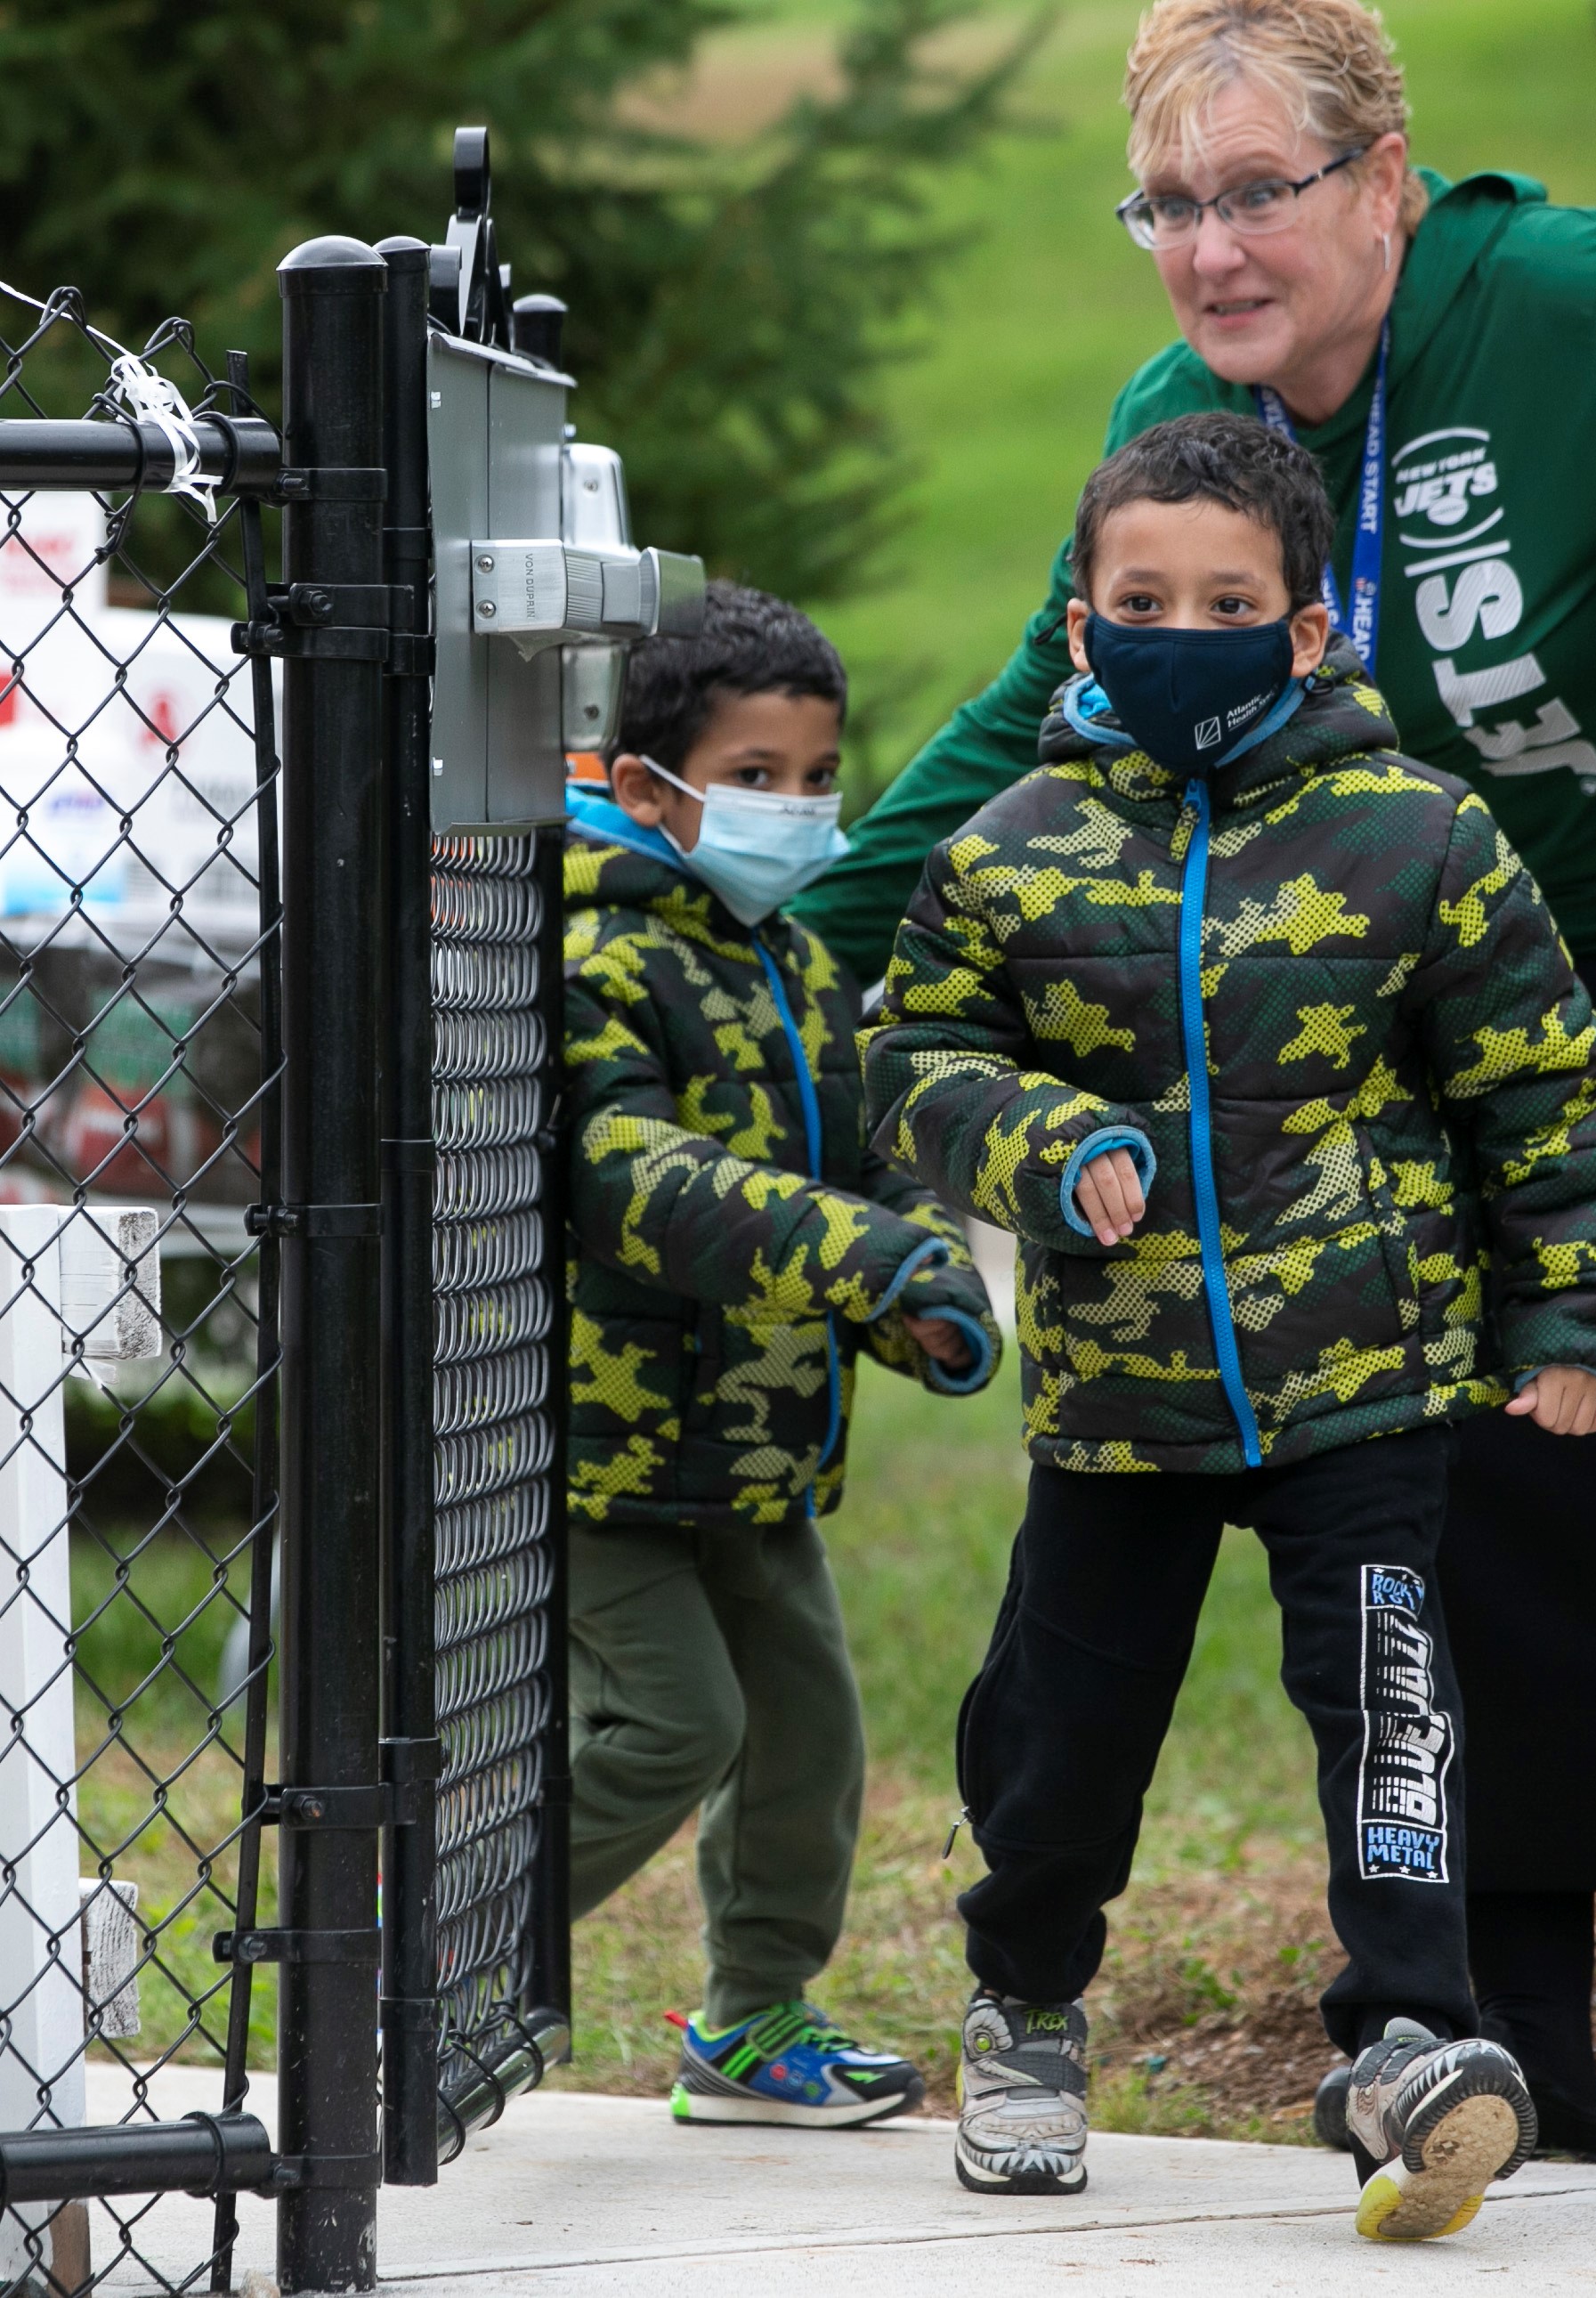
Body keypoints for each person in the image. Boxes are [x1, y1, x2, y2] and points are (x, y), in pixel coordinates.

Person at [802, 0, 1596, 2164]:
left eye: (1256, 191)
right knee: (1472, 1471)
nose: (1208, 249)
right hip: (1452, 982)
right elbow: (1039, 717)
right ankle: (1508, 2049)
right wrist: (783, 935)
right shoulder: (1180, 421)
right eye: (1170, 205)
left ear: (1384, 181)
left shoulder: (1563, 295)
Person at [860, 412, 1596, 2236]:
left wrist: (1577, 1315)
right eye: (1141, 597)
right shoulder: (1010, 851)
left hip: (1356, 1392)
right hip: (1112, 1405)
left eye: (1226, 600)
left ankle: (1405, 2038)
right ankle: (1028, 2003)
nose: (1177, 627)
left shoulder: (1419, 834)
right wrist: (1043, 1144)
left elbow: (1546, 1086)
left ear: (1307, 630)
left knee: (1389, 1714)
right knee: (1057, 1739)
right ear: (1081, 622)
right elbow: (909, 1061)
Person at [563, 582, 1003, 2130]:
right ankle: (438, 1953)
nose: (799, 811)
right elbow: (621, 1169)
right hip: (600, 1449)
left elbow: (855, 1156)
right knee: (679, 1722)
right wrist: (852, 1248)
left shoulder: (797, 957)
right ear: (645, 788)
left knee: (808, 1728)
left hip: (754, 1446)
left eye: (819, 780)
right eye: (756, 779)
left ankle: (754, 2022)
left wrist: (914, 1279)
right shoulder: (598, 955)